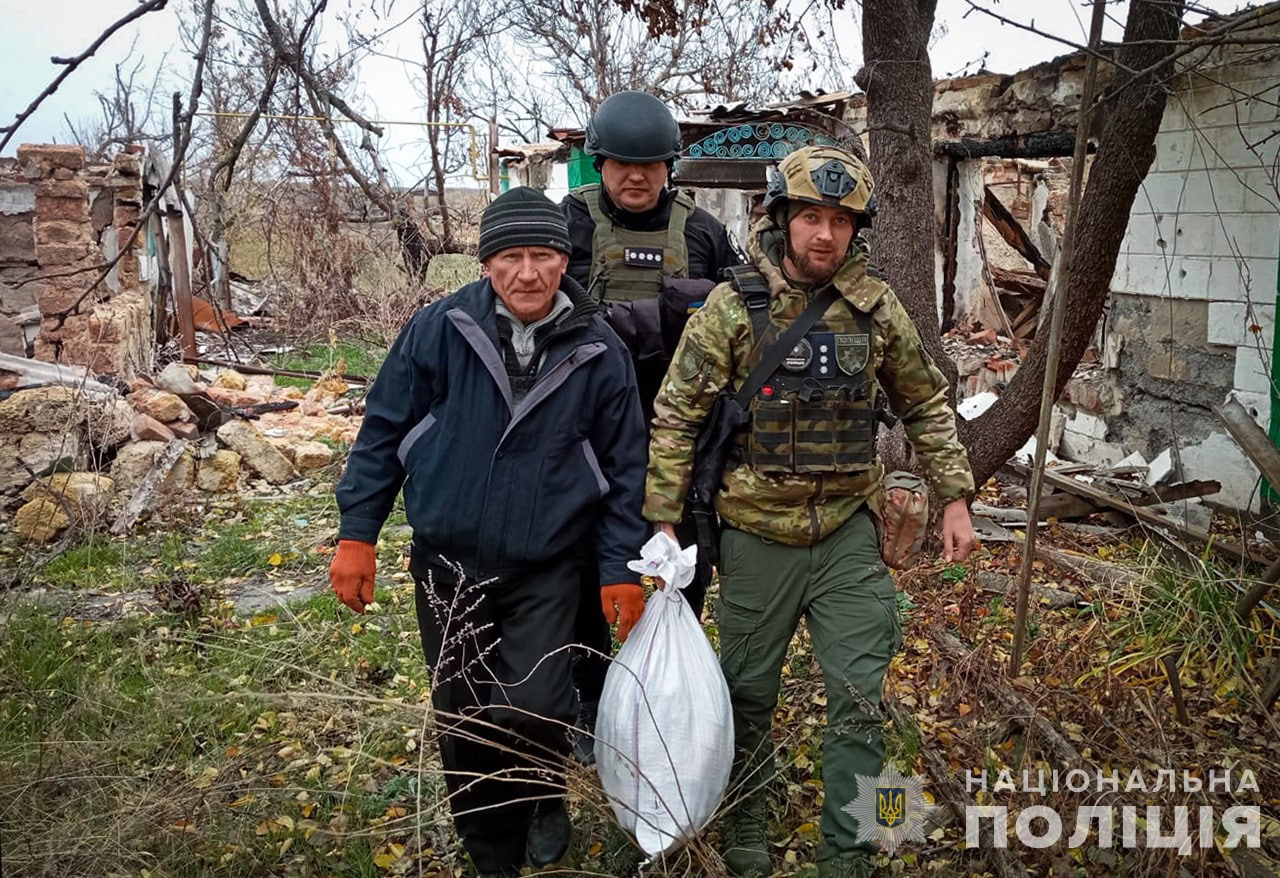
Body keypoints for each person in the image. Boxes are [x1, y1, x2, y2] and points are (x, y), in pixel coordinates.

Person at [644, 146, 978, 878]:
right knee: (747, 697)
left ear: (856, 230)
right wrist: (664, 520)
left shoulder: (876, 307)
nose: (824, 235)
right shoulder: (734, 308)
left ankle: (849, 854)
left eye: (840, 221)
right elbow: (676, 415)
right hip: (757, 537)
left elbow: (923, 399)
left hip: (847, 539)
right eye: (810, 218)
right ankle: (746, 822)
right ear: (782, 218)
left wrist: (954, 495)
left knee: (861, 699)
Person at [329, 187, 649, 878]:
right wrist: (358, 532)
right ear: (484, 265)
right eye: (510, 257)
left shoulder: (600, 349)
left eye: (542, 255)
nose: (526, 274)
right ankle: (493, 855)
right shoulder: (439, 329)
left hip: (548, 567)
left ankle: (540, 794)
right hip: (449, 564)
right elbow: (383, 431)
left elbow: (627, 470)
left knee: (536, 708)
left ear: (565, 260)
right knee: (465, 719)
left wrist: (621, 566)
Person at [561, 89, 742, 763]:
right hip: (588, 432)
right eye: (620, 164)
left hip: (679, 435)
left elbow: (741, 325)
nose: (634, 177)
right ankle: (588, 699)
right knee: (586, 567)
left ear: (669, 167)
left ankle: (665, 692)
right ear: (599, 164)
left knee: (682, 567)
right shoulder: (570, 225)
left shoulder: (702, 234)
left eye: (649, 165)